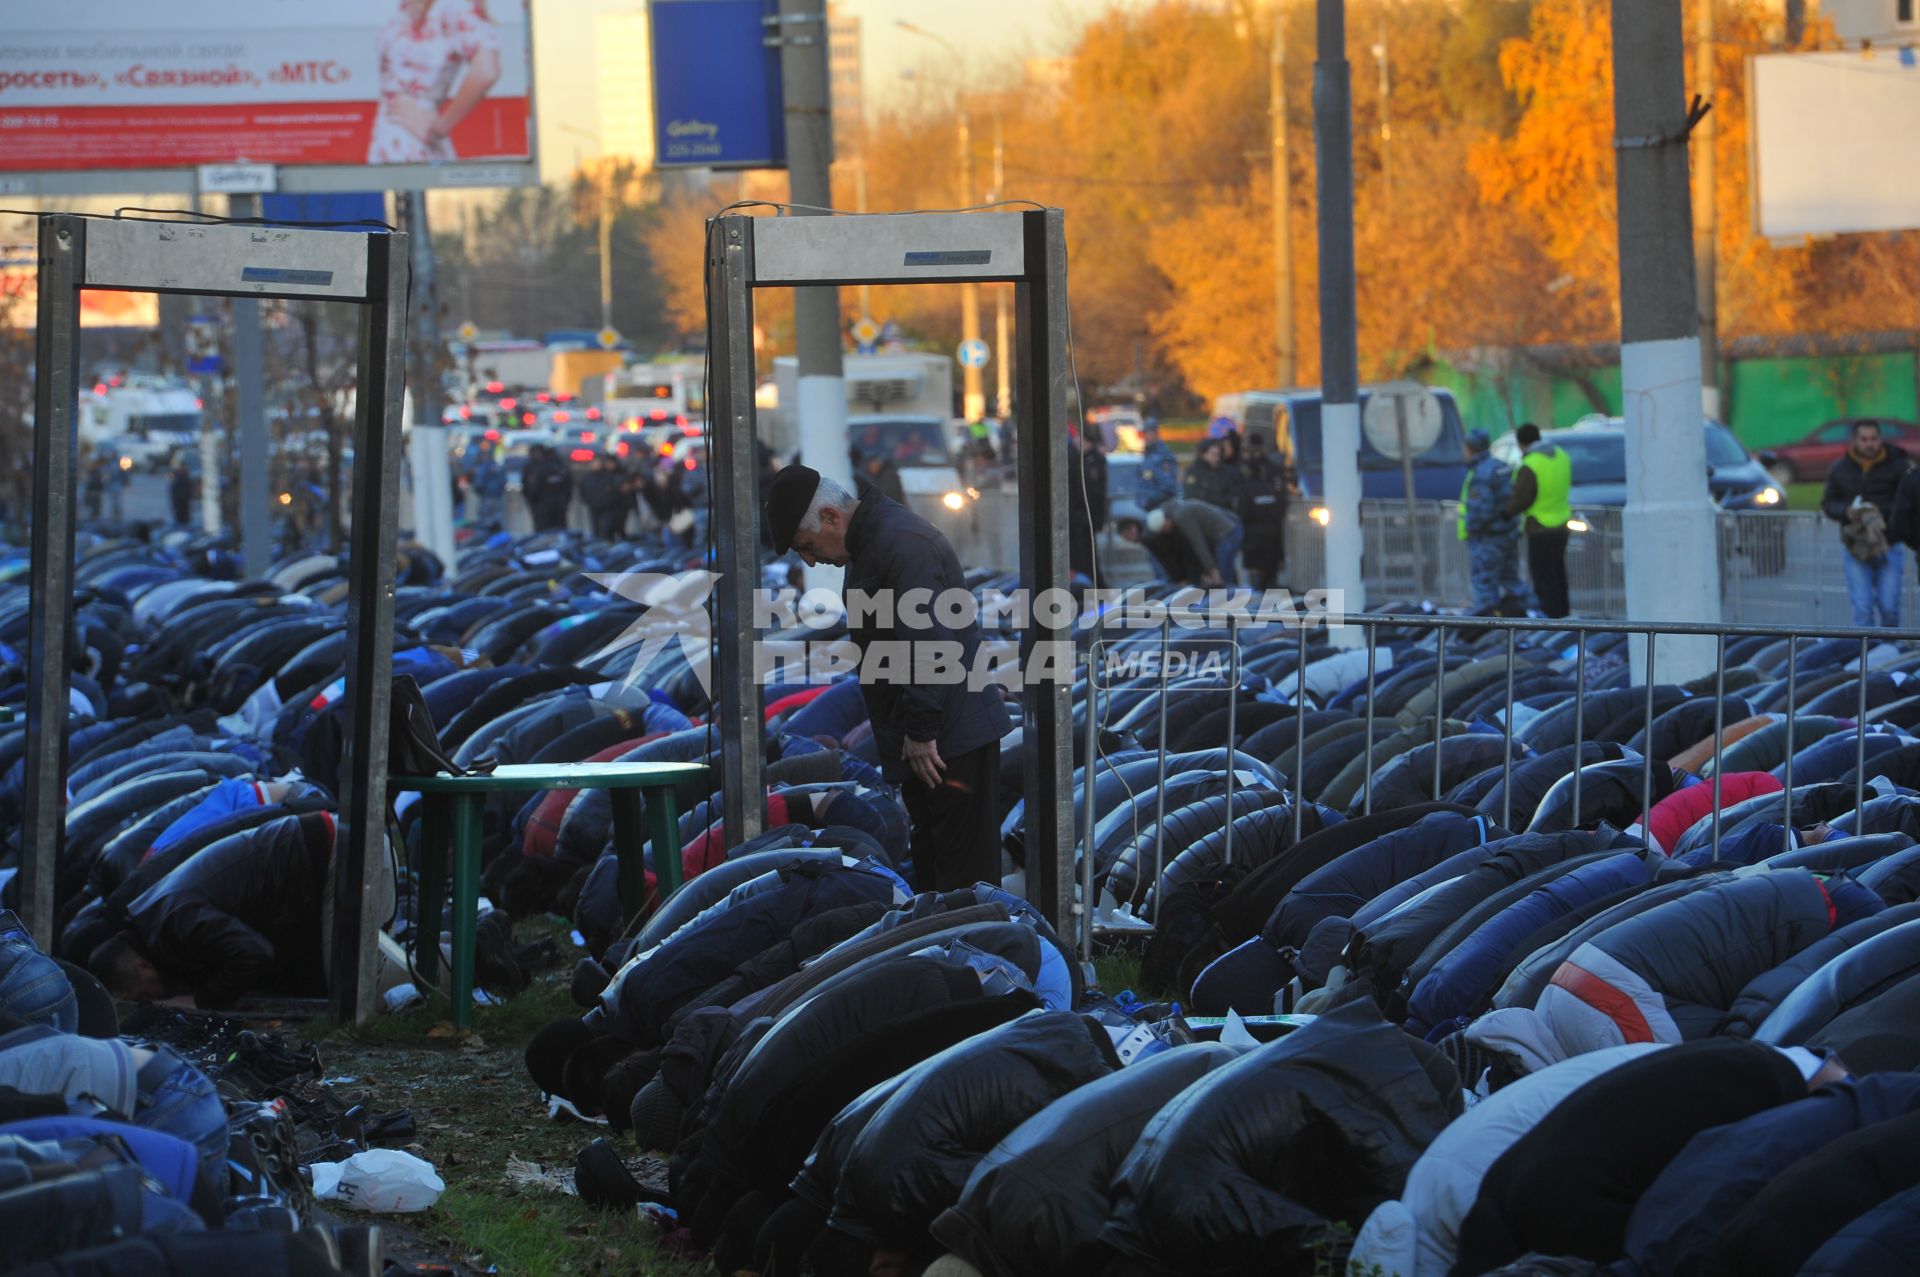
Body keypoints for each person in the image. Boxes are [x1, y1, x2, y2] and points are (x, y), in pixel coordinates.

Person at [763, 466, 1011, 891]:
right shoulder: (872, 543)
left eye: (805, 546)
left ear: (830, 517)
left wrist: (920, 732)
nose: (808, 560)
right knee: (938, 875)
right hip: (935, 740)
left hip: (947, 741)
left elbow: (931, 646)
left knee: (963, 881)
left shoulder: (900, 543)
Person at [369, 0, 503, 165]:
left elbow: (487, 70)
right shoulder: (407, 6)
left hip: (413, 144)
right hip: (385, 139)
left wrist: (440, 128)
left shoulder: (453, 7)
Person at [1825, 418, 1913, 627]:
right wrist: (1846, 511)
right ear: (1854, 441)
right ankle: (1865, 656)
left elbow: (1906, 503)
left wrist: (1877, 513)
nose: (1870, 444)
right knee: (1863, 608)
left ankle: (1888, 654)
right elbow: (1829, 502)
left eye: (1874, 438)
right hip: (1856, 545)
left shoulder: (1898, 467)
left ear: (1880, 439)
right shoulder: (1840, 468)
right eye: (1864, 439)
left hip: (1888, 544)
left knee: (1889, 607)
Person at [1503, 422, 1573, 619]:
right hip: (1561, 523)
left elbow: (1522, 497)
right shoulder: (1561, 456)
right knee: (1558, 573)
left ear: (1520, 443)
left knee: (1543, 576)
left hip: (1539, 526)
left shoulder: (1531, 464)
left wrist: (1506, 513)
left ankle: (1549, 618)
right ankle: (1562, 614)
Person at [1459, 428, 1529, 615]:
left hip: (1487, 538)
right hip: (1507, 534)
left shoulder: (1481, 474)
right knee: (1511, 581)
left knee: (1484, 586)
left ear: (1471, 448)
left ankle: (1485, 629)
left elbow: (1482, 510)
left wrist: (1472, 529)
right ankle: (1523, 620)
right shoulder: (1502, 467)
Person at [1115, 499, 1242, 588]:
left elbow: (1199, 545)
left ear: (1166, 521)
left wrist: (1212, 571)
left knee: (1223, 579)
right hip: (1223, 533)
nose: (1167, 531)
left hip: (1226, 533)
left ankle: (1231, 609)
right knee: (1223, 577)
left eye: (1165, 528)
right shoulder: (1176, 513)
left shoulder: (1182, 518)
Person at [1239, 430, 1289, 591]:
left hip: (1260, 531)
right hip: (1266, 530)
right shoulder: (1266, 470)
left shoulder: (1269, 470)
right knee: (1266, 570)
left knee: (1264, 571)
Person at [1067, 427, 1108, 587]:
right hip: (1081, 519)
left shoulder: (1092, 461)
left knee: (1087, 560)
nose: (1076, 442)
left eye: (1080, 439)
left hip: (1085, 520)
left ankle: (1096, 592)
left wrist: (1082, 517)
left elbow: (1090, 493)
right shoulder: (1081, 459)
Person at [580, 452, 633, 542]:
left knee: (607, 532)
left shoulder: (609, 477)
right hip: (594, 510)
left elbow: (617, 492)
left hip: (608, 510)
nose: (596, 465)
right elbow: (583, 493)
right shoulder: (587, 478)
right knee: (596, 532)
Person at [523, 444, 573, 532]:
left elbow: (533, 489)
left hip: (545, 506)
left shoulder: (541, 469)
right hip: (554, 505)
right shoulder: (560, 467)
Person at [1183, 436, 1240, 511]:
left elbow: (1233, 494)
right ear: (1203, 455)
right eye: (1213, 455)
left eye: (1218, 455)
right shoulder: (1193, 472)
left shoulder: (1225, 471)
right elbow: (1191, 497)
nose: (1217, 458)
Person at [1137, 421, 1179, 512]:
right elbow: (1144, 479)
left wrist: (1150, 499)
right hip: (1148, 506)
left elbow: (1167, 485)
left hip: (1161, 507)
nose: (1145, 437)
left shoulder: (1164, 455)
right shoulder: (1148, 454)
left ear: (1155, 434)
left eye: (1146, 434)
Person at [167, 459, 194, 526]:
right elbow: (173, 485)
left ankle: (184, 523)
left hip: (184, 497)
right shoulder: (176, 474)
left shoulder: (185, 474)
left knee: (185, 511)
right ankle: (180, 523)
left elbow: (189, 486)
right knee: (179, 511)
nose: (185, 468)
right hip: (178, 496)